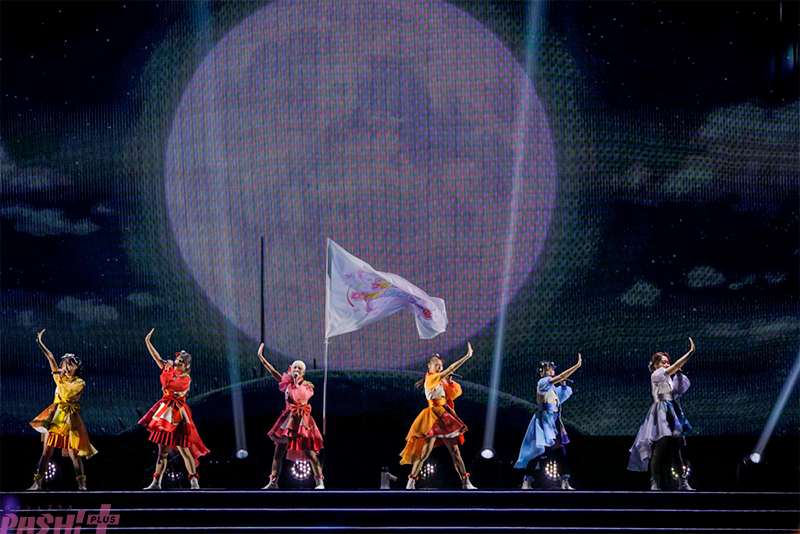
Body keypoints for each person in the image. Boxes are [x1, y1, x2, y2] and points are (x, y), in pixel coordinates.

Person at [139, 328, 209, 490]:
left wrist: (167, 369)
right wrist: (148, 342)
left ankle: (194, 481)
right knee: (162, 452)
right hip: (165, 415)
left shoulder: (185, 378)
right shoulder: (170, 371)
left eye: (180, 362)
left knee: (184, 450)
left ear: (187, 366)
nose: (177, 363)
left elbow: (168, 384)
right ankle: (156, 482)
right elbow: (157, 358)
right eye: (177, 361)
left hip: (177, 416)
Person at [400, 342, 476, 490]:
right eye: (436, 365)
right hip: (433, 417)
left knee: (455, 452)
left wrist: (449, 381)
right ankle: (411, 481)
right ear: (429, 366)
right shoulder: (430, 378)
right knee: (425, 452)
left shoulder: (441, 381)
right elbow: (451, 368)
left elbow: (452, 395)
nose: (439, 368)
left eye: (441, 366)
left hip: (444, 415)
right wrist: (467, 356)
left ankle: (465, 481)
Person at [28, 329, 98, 491]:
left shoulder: (79, 382)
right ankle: (37, 483)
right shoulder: (59, 378)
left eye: (70, 364)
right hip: (56, 418)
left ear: (76, 367)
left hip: (69, 420)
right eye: (65, 364)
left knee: (74, 453)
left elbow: (68, 395)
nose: (67, 366)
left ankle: (82, 484)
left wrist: (59, 379)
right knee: (46, 452)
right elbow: (50, 357)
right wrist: (40, 343)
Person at [628, 338, 696, 491]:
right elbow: (676, 365)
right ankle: (655, 482)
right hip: (661, 412)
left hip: (672, 412)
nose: (666, 365)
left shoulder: (668, 379)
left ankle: (682, 482)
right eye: (663, 362)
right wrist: (690, 352)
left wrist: (678, 375)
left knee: (676, 450)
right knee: (659, 448)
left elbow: (678, 390)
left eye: (667, 362)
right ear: (656, 365)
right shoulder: (656, 375)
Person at [257, 343, 325, 490]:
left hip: (302, 422)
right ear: (290, 369)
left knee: (310, 453)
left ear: (303, 372)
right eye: (295, 368)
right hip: (288, 421)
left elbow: (298, 397)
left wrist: (295, 383)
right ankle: (273, 482)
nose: (297, 370)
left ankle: (319, 481)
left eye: (300, 369)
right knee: (278, 453)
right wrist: (261, 358)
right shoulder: (287, 384)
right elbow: (273, 371)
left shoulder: (307, 386)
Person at [514, 354, 582, 490]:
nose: (552, 371)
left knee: (558, 451)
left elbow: (561, 396)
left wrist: (563, 384)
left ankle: (565, 481)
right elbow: (561, 376)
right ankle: (526, 481)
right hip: (544, 421)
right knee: (538, 451)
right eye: (549, 369)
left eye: (553, 369)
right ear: (542, 372)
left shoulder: (552, 388)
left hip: (554, 420)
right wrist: (576, 366)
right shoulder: (543, 383)